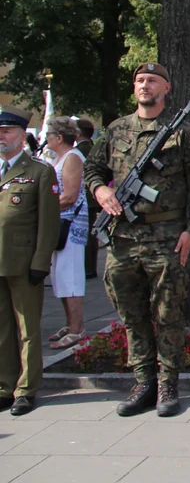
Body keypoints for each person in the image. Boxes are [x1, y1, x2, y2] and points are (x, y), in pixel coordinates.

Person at [84, 63, 190, 417]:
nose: (145, 85)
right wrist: (100, 192)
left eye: (152, 80)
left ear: (166, 88)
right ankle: (144, 382)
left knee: (167, 312)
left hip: (167, 237)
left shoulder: (183, 134)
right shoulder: (116, 129)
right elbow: (93, 169)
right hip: (123, 237)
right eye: (140, 80)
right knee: (132, 315)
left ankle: (169, 384)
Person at [0, 106, 60, 416]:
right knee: (2, 329)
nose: (1, 136)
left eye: (7, 131)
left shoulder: (39, 171)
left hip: (23, 263)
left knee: (27, 329)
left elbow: (48, 222)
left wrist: (41, 261)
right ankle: (4, 384)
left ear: (23, 135)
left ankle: (26, 389)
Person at [43, 117, 90, 351]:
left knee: (69, 275)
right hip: (60, 223)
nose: (46, 139)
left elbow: (70, 195)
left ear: (59, 138)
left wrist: (43, 207)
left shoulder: (72, 157)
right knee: (59, 276)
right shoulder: (61, 157)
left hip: (70, 226)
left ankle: (77, 328)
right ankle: (69, 323)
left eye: (49, 135)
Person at [75, 118, 101, 279]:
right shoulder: (92, 146)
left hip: (84, 196)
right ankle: (90, 266)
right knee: (91, 234)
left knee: (86, 233)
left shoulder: (81, 150)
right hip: (91, 197)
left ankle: (87, 267)